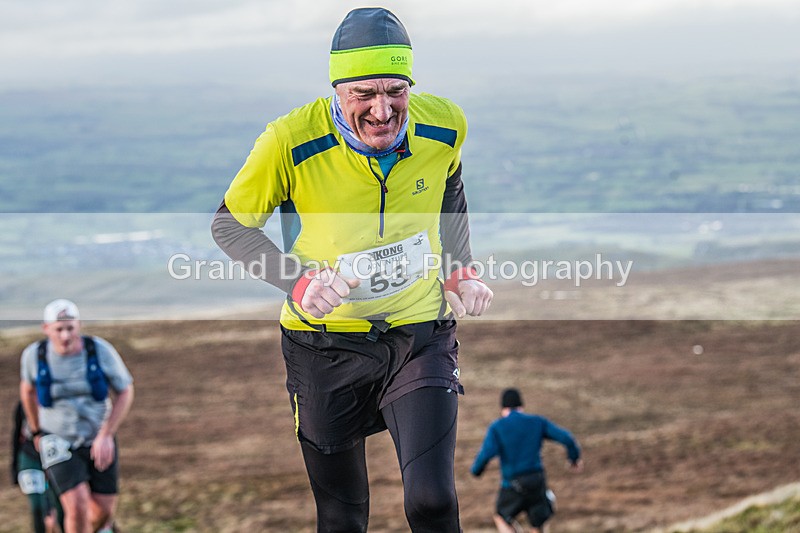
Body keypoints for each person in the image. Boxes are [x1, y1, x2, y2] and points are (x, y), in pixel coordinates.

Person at [212, 6, 493, 531]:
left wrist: (459, 268)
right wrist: (296, 282)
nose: (383, 110)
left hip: (418, 332)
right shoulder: (288, 141)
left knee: (432, 501)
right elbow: (229, 226)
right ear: (337, 91)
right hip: (324, 346)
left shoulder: (446, 124)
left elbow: (449, 185)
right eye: (364, 94)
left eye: (396, 91)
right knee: (342, 517)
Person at [19, 299, 134, 533]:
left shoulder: (100, 351)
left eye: (70, 328)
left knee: (103, 513)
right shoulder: (34, 356)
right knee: (77, 505)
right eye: (58, 329)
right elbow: (27, 391)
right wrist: (37, 431)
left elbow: (126, 390)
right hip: (57, 440)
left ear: (79, 325)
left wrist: (106, 434)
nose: (65, 336)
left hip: (97, 439)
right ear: (46, 328)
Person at [471, 388, 583, 533]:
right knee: (537, 525)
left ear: (503, 408)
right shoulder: (537, 422)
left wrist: (476, 471)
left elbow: (486, 454)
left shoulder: (497, 427)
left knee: (501, 517)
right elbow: (567, 438)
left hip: (512, 485)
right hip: (537, 482)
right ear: (521, 406)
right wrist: (573, 459)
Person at [11, 401, 64, 533]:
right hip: (30, 457)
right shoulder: (23, 405)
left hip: (55, 457)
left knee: (60, 507)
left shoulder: (58, 402)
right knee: (37, 507)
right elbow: (17, 436)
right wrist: (14, 468)